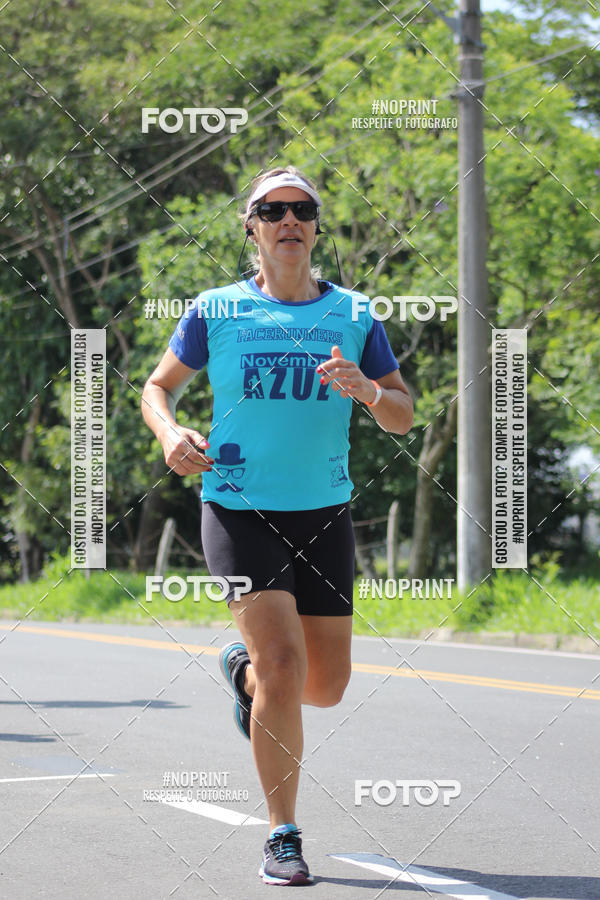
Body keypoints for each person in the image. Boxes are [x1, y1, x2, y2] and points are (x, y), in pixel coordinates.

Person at [141, 166, 413, 886]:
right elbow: (157, 385)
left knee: (323, 687)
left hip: (324, 513)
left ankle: (243, 676)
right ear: (252, 227)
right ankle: (283, 835)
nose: (289, 220)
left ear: (316, 227)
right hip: (237, 509)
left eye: (303, 210)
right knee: (285, 671)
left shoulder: (354, 314)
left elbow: (404, 413)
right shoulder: (216, 310)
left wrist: (369, 390)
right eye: (273, 210)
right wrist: (170, 433)